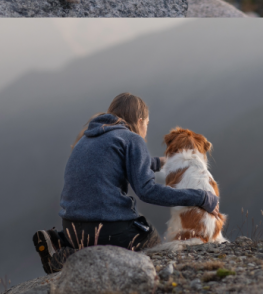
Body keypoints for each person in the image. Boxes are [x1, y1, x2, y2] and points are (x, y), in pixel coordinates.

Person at [33, 92, 220, 273]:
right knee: (151, 241)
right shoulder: (132, 139)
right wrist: (201, 197)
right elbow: (148, 191)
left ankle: (61, 241)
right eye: (147, 123)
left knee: (103, 232)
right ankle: (71, 256)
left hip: (71, 226)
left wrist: (156, 162)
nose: (146, 128)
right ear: (139, 121)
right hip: (104, 228)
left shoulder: (88, 138)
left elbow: (118, 163)